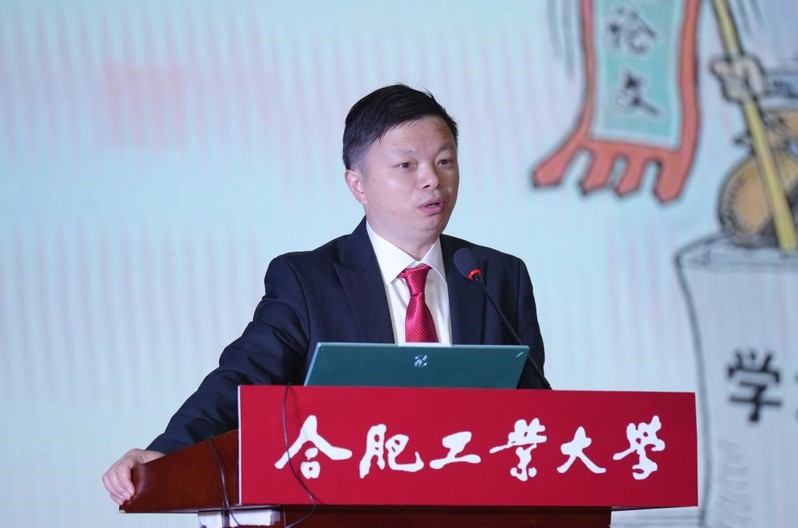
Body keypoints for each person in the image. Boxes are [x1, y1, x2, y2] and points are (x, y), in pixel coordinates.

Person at [102, 84, 547, 505]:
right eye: (406, 166)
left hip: (472, 505)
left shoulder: (495, 277)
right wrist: (168, 451)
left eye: (445, 161)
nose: (432, 179)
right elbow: (243, 379)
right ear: (358, 185)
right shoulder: (308, 281)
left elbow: (535, 408)